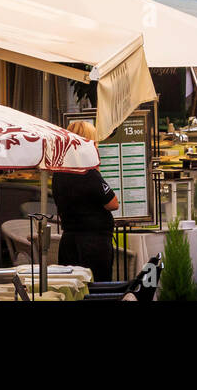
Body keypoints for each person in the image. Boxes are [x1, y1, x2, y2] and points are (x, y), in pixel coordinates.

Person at [53, 120, 120, 280]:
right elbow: (113, 203)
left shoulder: (59, 173)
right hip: (93, 245)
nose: (97, 146)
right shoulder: (88, 173)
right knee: (96, 290)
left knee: (73, 289)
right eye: (94, 142)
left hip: (69, 241)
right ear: (85, 144)